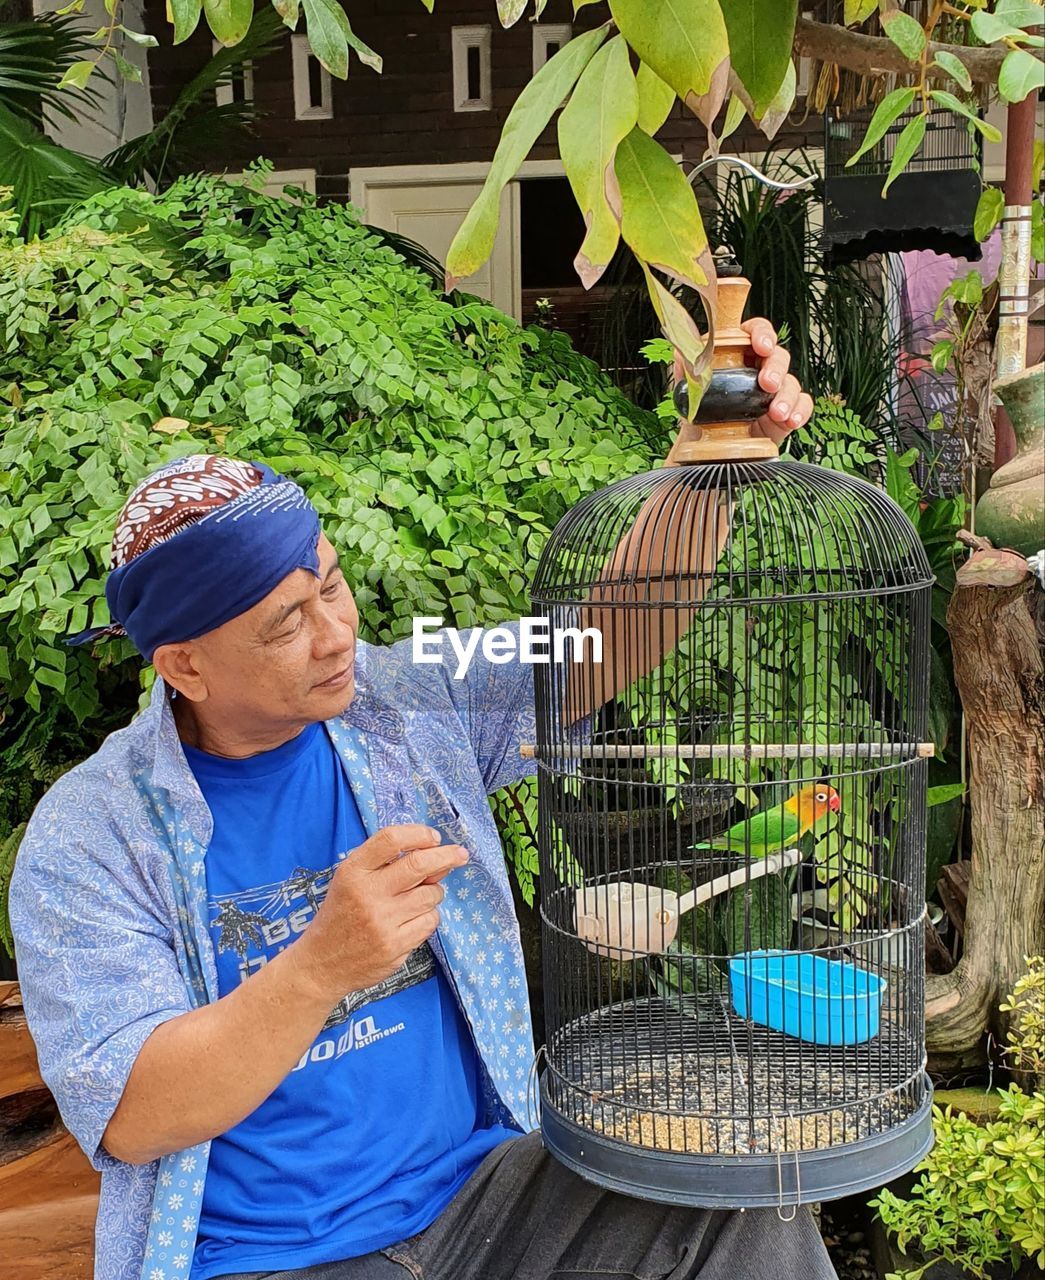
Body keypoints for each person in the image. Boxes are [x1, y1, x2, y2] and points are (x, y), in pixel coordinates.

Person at [10, 323, 836, 1280]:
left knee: (735, 1203)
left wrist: (702, 472)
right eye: (287, 622)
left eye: (332, 586)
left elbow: (594, 646)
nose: (334, 637)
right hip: (270, 1255)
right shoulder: (93, 835)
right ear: (183, 665)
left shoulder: (403, 700)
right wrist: (319, 967)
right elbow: (133, 1113)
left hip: (482, 1200)